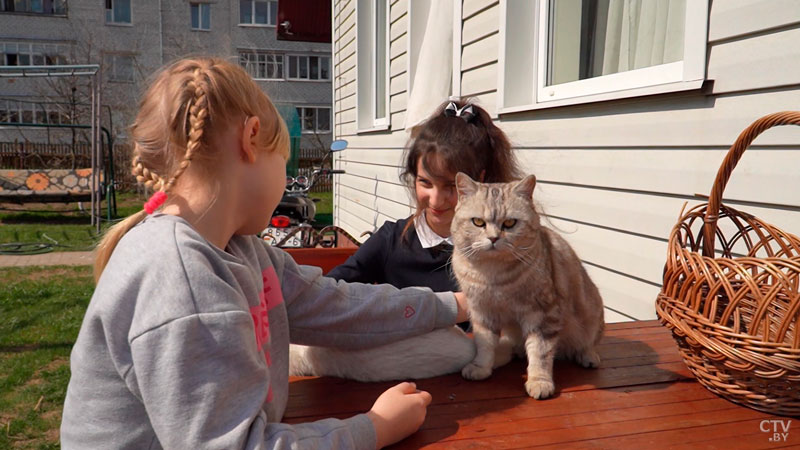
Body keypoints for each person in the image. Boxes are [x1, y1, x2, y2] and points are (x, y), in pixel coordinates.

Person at [60, 57, 469, 450]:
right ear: (251, 138)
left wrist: (454, 305)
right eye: (285, 164)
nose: (286, 180)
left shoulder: (243, 249)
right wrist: (374, 428)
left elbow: (338, 304)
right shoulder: (183, 282)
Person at [327, 99, 522, 327]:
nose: (436, 200)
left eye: (451, 186)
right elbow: (328, 292)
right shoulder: (391, 240)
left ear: (479, 180)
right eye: (425, 182)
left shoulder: (507, 248)